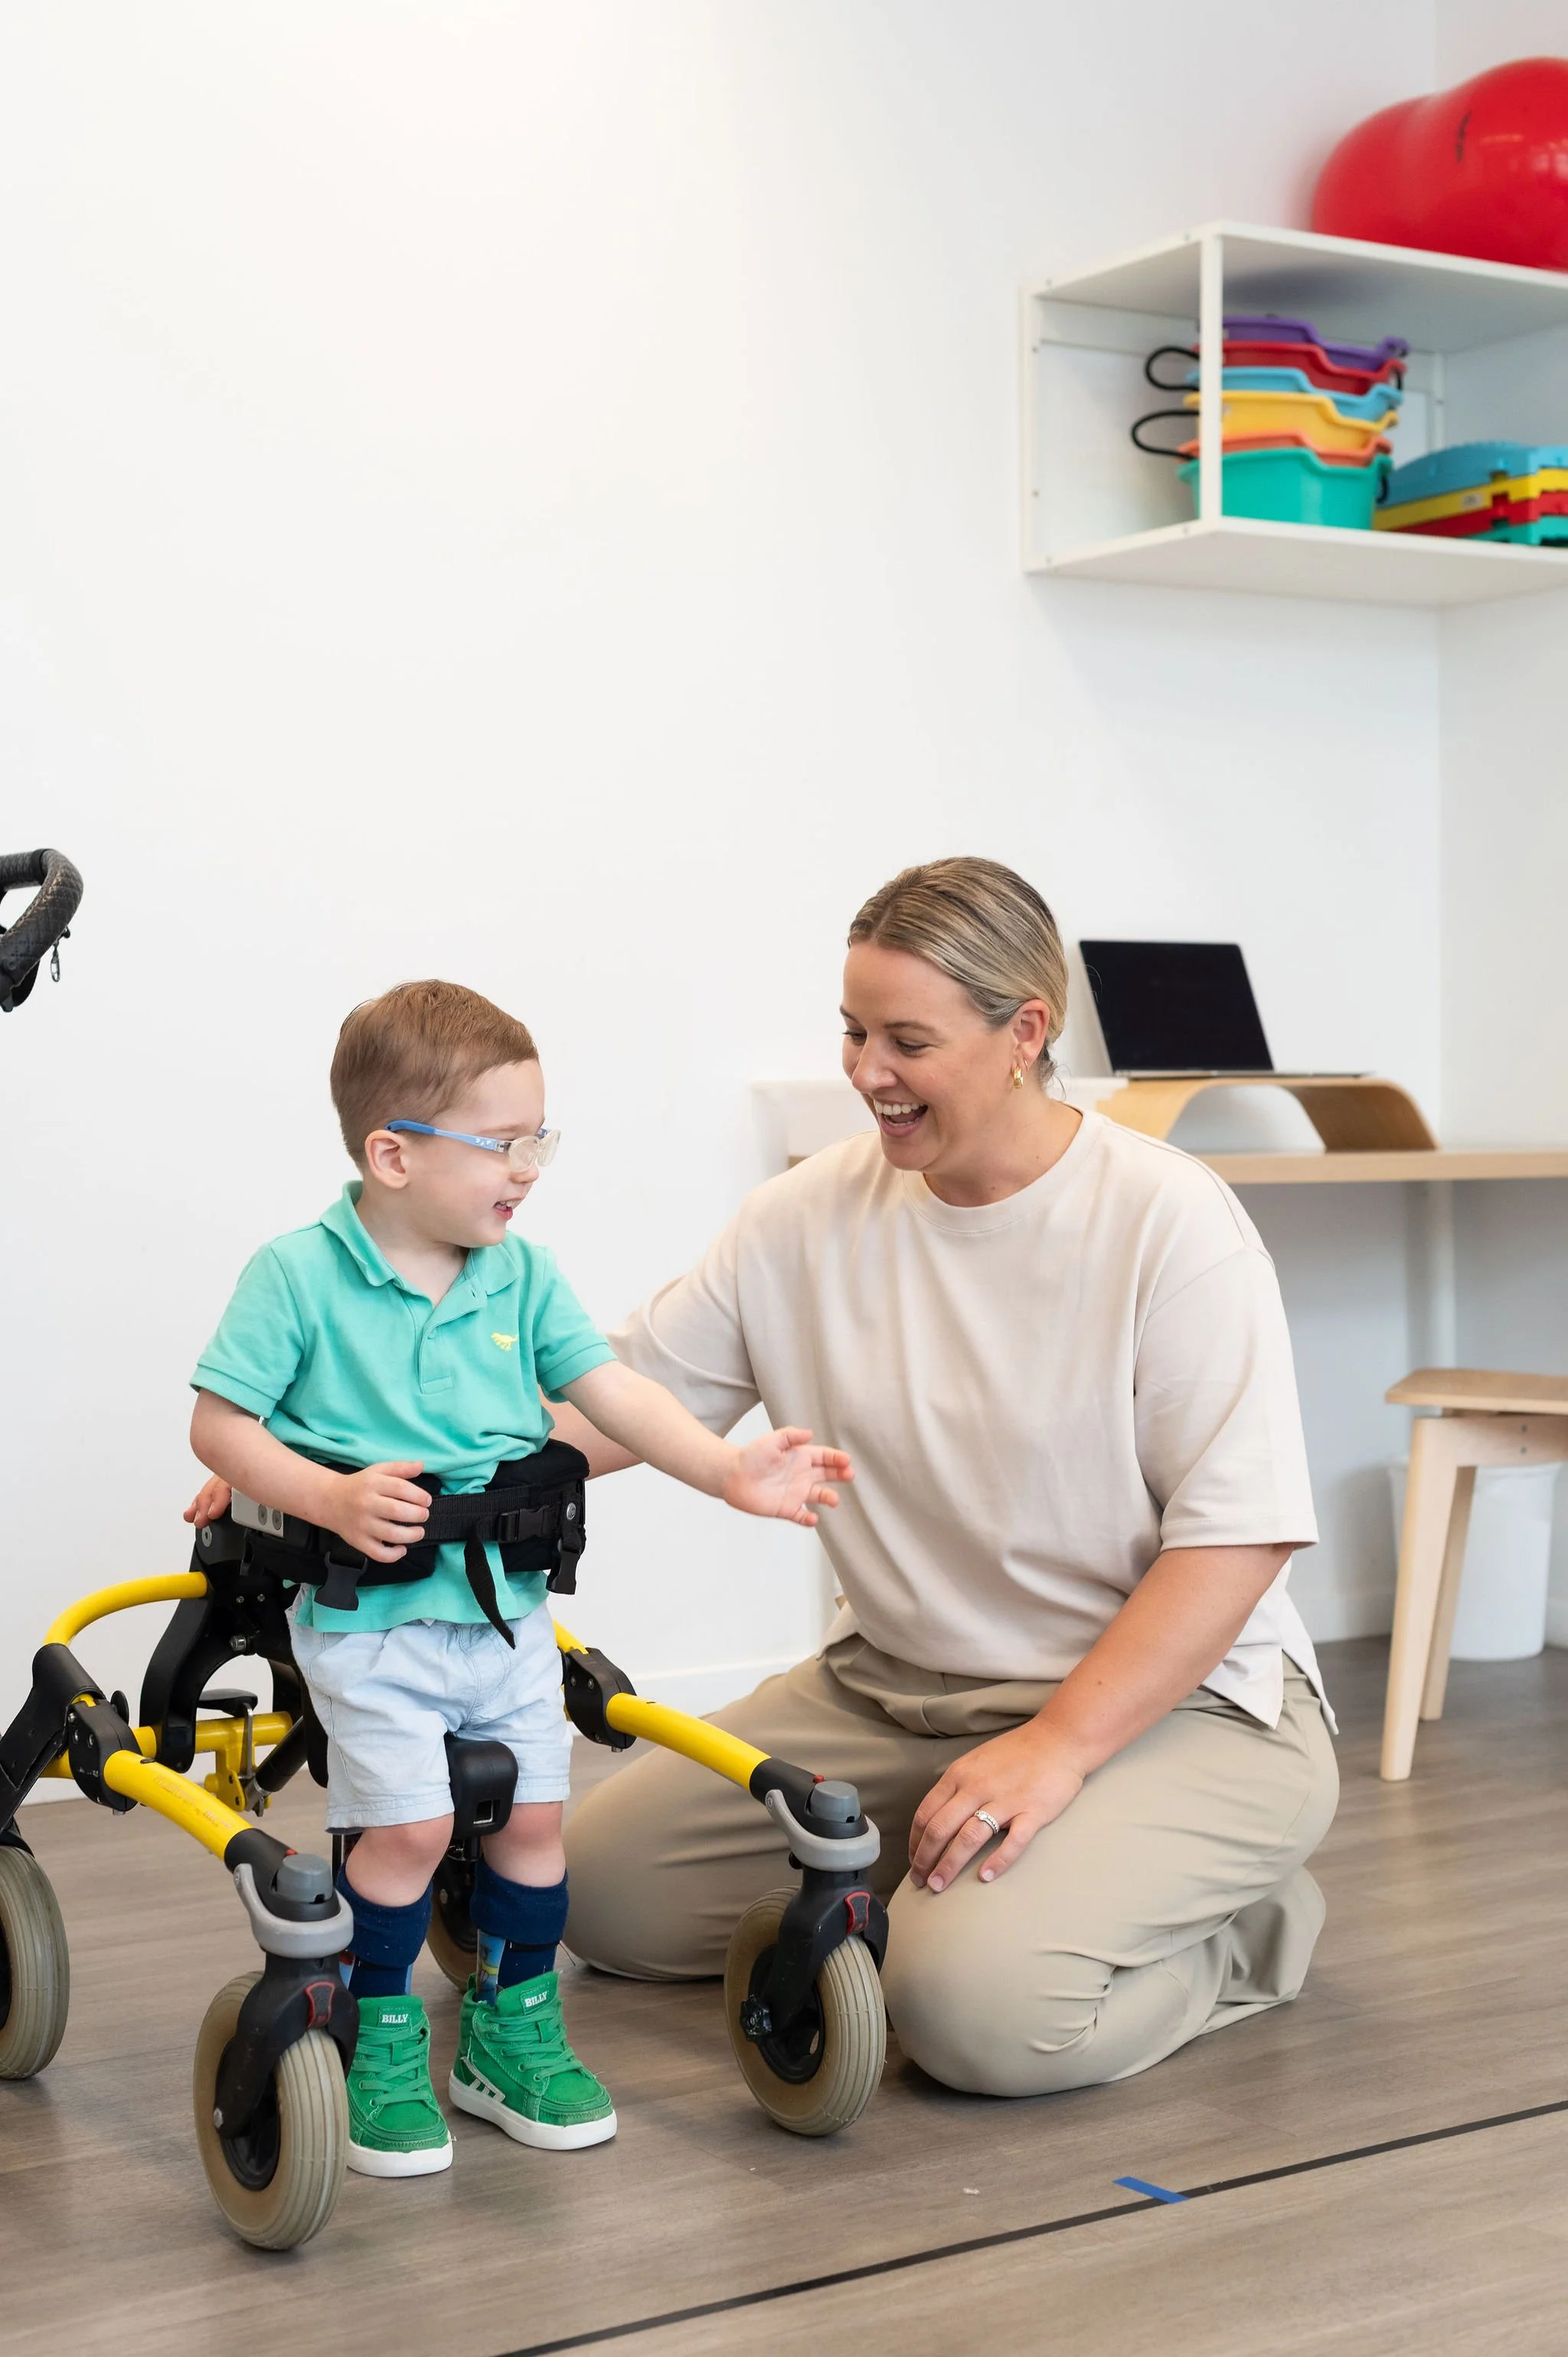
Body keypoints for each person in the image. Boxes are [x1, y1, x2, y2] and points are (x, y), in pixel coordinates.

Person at [557, 858, 1338, 2100]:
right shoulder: (800, 1218)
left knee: (965, 2012)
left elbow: (1236, 1541)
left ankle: (1243, 1926)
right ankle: (973, 1883)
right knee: (593, 1897)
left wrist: (1061, 1746)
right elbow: (610, 1404)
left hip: (1161, 1713)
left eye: (906, 1039)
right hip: (890, 1695)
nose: (866, 1071)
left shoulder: (1168, 1222)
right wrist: (344, 1456)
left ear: (1025, 1031)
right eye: (854, 1032)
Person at [187, 979, 850, 2179]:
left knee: (538, 1819)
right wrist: (327, 1493)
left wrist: (726, 1469)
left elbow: (624, 1396)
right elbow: (220, 1425)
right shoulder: (296, 1276)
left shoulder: (522, 1275)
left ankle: (509, 2027)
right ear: (392, 1152)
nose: (530, 1166)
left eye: (539, 1137)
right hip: (370, 1616)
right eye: (504, 1142)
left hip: (503, 1610)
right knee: (410, 1829)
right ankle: (379, 2034)